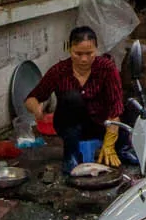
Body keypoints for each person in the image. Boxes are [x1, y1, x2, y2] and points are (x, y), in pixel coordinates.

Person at [24, 27, 125, 168]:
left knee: (131, 110)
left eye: (89, 53)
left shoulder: (107, 69)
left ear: (96, 49)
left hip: (101, 125)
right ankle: (71, 155)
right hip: (69, 127)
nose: (84, 59)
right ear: (69, 49)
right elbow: (31, 98)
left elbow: (116, 107)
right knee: (72, 98)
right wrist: (36, 109)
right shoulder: (59, 71)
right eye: (78, 53)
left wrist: (109, 142)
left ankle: (121, 149)